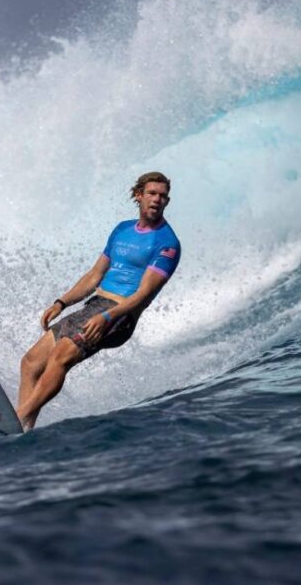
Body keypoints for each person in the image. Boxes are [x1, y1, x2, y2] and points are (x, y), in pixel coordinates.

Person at [15, 172, 181, 431]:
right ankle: (23, 429)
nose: (157, 200)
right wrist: (62, 302)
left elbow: (142, 295)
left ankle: (18, 417)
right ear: (138, 195)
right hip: (94, 306)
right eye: (152, 194)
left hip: (119, 316)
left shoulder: (167, 244)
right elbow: (94, 276)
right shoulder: (122, 230)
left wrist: (107, 317)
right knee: (31, 362)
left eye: (162, 196)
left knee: (60, 356)